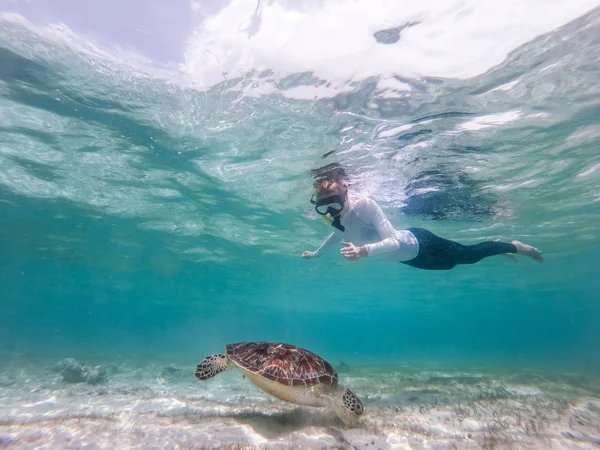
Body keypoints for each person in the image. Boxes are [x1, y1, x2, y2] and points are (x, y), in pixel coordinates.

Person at [301, 174, 543, 270]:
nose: (332, 210)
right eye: (325, 206)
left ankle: (514, 246)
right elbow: (338, 234)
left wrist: (364, 251)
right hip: (412, 260)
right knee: (453, 265)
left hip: (419, 243)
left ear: (346, 193)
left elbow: (394, 242)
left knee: (469, 256)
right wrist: (317, 253)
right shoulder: (336, 218)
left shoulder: (364, 205)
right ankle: (496, 248)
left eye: (335, 202)